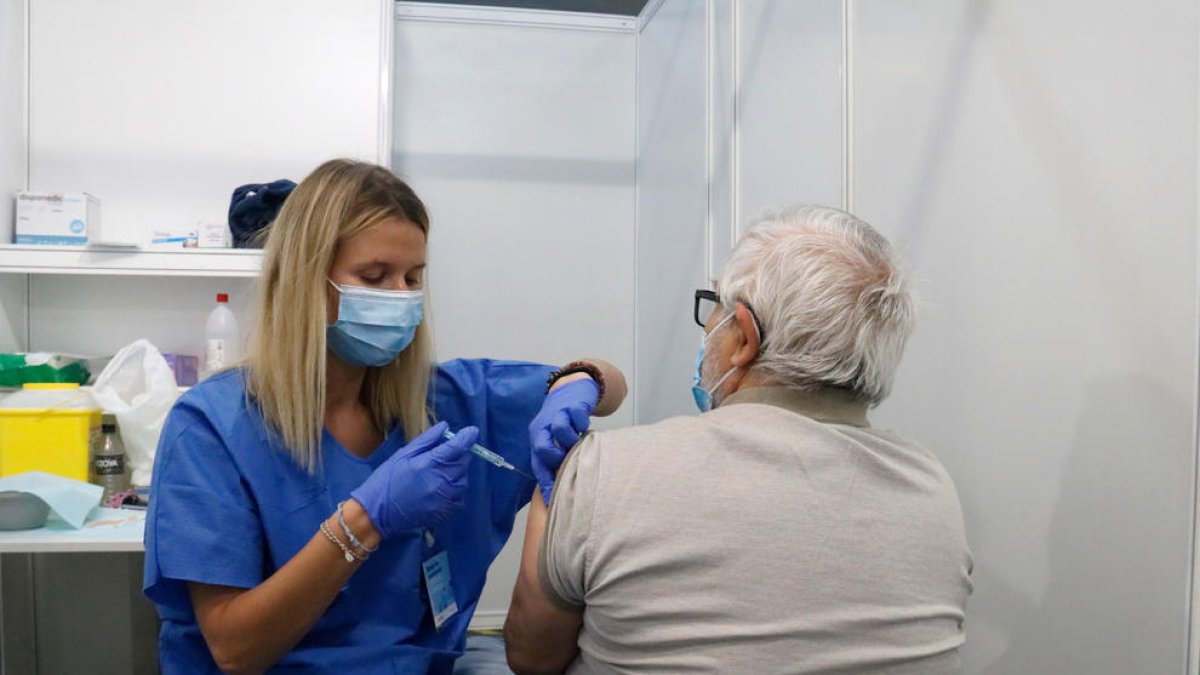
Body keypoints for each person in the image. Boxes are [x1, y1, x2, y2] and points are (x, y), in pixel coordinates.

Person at [143, 158, 626, 674]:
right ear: (305, 280)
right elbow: (236, 650)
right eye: (374, 276)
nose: (402, 297)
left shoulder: (444, 399)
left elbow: (608, 383)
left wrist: (579, 384)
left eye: (413, 277)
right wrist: (364, 520)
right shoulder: (213, 425)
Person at [506, 205, 972, 674]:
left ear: (744, 338)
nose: (708, 329)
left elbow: (531, 659)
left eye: (716, 309)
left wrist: (562, 497)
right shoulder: (932, 487)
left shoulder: (604, 471)